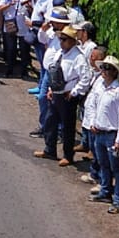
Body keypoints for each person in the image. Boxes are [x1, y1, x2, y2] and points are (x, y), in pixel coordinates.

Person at [34, 24, 92, 166]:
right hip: (55, 93)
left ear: (72, 41)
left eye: (64, 39)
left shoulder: (78, 57)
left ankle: (68, 155)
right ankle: (50, 149)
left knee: (67, 127)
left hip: (67, 96)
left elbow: (86, 77)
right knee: (50, 122)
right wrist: (50, 90)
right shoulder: (61, 53)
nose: (61, 41)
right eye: (60, 39)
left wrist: (74, 92)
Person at [84, 55, 119, 213]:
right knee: (103, 164)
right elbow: (93, 106)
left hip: (111, 134)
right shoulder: (99, 86)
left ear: (115, 72)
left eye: (107, 68)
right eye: (102, 67)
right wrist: (92, 123)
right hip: (99, 132)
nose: (103, 70)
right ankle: (105, 191)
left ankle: (118, 199)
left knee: (116, 168)